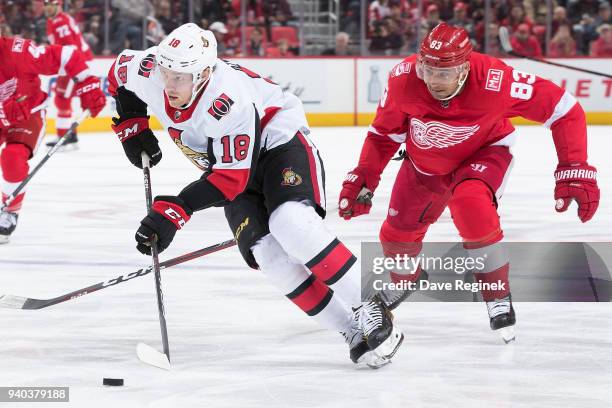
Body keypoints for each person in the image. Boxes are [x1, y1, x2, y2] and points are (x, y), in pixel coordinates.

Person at [106, 23, 404, 368]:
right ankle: (350, 330)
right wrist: (132, 124)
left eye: (179, 77)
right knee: (268, 255)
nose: (168, 84)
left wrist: (178, 209)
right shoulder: (150, 68)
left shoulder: (226, 100)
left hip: (277, 146)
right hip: (228, 163)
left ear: (203, 73)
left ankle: (369, 299)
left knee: (290, 223)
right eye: (165, 72)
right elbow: (119, 74)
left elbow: (231, 181)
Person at [339, 23, 599, 343]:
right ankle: (405, 280)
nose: (433, 80)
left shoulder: (496, 80)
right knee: (395, 235)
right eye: (428, 69)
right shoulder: (402, 79)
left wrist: (574, 166)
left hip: (484, 155)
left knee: (470, 205)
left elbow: (564, 109)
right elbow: (383, 134)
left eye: (443, 73)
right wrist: (364, 177)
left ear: (463, 69)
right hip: (424, 165)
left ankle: (496, 293)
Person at [0, 34, 107, 243]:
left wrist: (87, 82)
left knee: (13, 157)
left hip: (26, 116)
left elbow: (66, 55)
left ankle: (9, 210)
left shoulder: (18, 52)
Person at [43, 0, 94, 150]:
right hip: (73, 61)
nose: (47, 8)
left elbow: (71, 47)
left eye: (50, 5)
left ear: (58, 5)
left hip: (74, 62)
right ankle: (70, 137)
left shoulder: (60, 22)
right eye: (45, 5)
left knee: (62, 98)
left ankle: (63, 137)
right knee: (63, 98)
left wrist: (71, 68)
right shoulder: (58, 19)